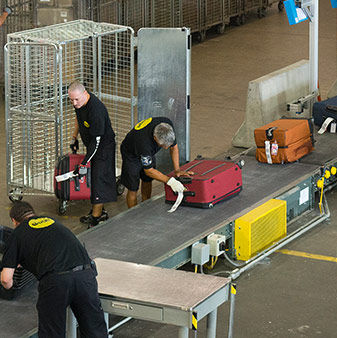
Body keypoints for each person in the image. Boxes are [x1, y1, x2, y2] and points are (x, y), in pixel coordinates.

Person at [0, 201, 108, 338]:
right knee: (95, 331)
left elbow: (6, 279)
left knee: (52, 333)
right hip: (85, 274)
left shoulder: (18, 233)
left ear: (14, 221)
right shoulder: (52, 222)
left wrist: (8, 289)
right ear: (32, 213)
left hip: (56, 281)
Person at [68, 81, 116, 227]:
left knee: (98, 180)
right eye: (71, 100)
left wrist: (84, 163)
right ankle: (98, 209)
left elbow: (96, 143)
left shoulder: (96, 110)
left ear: (85, 93)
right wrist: (74, 137)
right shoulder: (80, 104)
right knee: (95, 178)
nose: (74, 103)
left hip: (103, 148)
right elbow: (79, 119)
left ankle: (97, 217)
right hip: (93, 145)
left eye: (76, 99)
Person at [120, 117, 193, 208]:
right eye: (162, 146)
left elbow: (173, 147)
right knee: (133, 188)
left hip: (147, 151)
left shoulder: (167, 127)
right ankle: (133, 215)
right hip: (131, 154)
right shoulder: (144, 144)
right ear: (155, 138)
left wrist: (177, 170)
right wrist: (170, 181)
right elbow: (149, 171)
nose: (166, 148)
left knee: (147, 180)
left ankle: (145, 205)